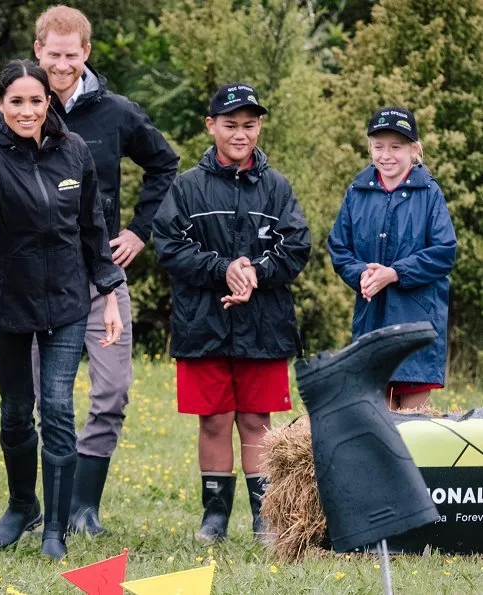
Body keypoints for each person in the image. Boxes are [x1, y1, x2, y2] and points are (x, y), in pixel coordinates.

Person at [0, 5, 179, 536]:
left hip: (89, 279)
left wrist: (138, 233)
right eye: (53, 55)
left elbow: (161, 168)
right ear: (37, 53)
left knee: (102, 392)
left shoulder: (112, 116)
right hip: (16, 286)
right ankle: (28, 506)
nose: (62, 64)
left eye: (72, 55)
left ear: (86, 54)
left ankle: (79, 509)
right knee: (24, 404)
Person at [0, 59, 125, 559]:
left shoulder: (74, 154)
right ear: (1, 104)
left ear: (50, 102)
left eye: (36, 100)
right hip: (5, 300)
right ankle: (22, 506)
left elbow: (94, 227)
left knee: (58, 407)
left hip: (67, 300)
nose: (28, 111)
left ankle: (55, 532)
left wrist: (108, 295)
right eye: (17, 101)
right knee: (17, 413)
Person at [153, 83, 311, 542]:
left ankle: (265, 518)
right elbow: (169, 247)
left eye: (249, 125)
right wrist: (225, 269)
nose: (240, 134)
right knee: (214, 420)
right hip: (202, 323)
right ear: (211, 126)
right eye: (230, 125)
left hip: (264, 324)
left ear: (259, 126)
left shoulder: (277, 187)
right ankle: (215, 518)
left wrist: (254, 274)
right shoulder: (186, 187)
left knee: (257, 421)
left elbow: (296, 247)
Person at [328, 106, 457, 410]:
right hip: (371, 323)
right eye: (378, 146)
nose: (386, 155)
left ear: (414, 150)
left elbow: (443, 252)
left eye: (396, 147)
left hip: (416, 323)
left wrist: (395, 273)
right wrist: (361, 273)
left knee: (414, 428)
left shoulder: (430, 193)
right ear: (369, 146)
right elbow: (339, 248)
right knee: (380, 428)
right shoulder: (356, 192)